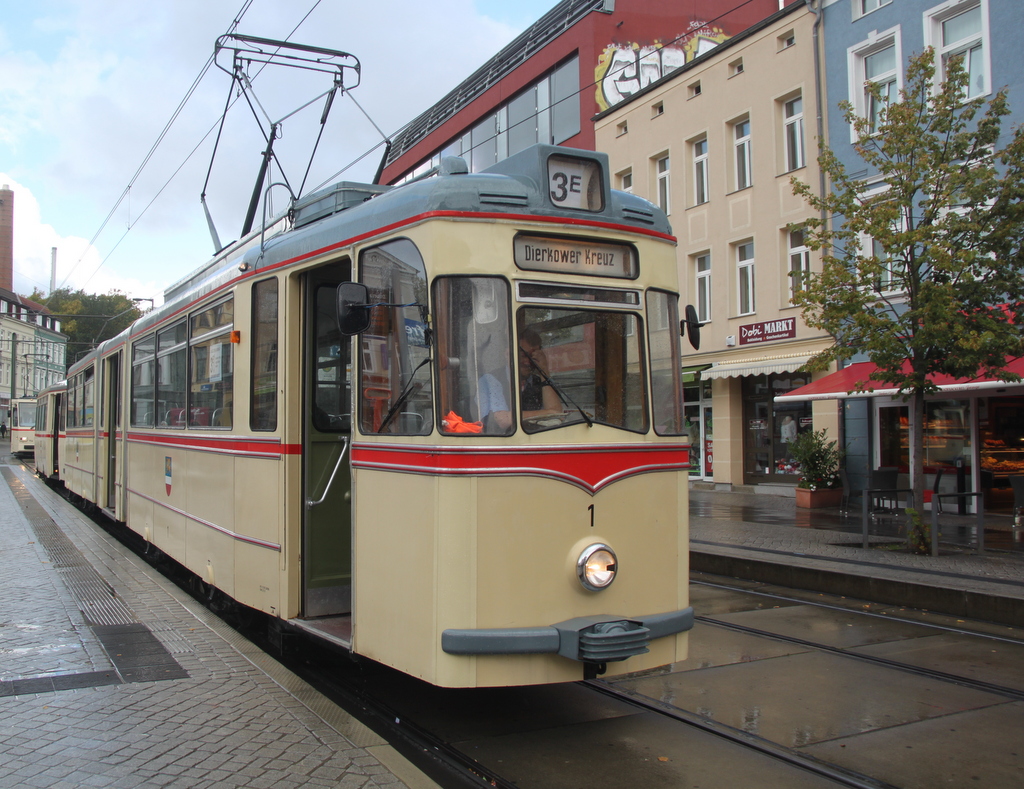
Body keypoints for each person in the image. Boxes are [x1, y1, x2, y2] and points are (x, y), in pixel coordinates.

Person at [518, 328, 562, 420]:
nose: (527, 362)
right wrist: (550, 412)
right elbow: (503, 419)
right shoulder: (495, 379)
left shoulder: (539, 382)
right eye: (523, 356)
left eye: (532, 357)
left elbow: (557, 416)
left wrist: (544, 371)